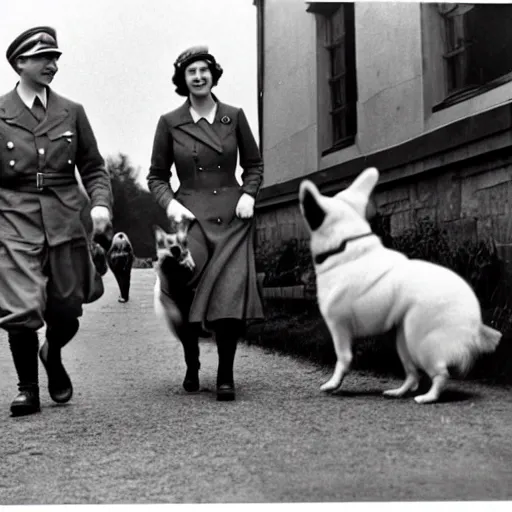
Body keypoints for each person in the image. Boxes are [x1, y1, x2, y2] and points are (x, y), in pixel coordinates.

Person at [0, 27, 113, 417]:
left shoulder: (71, 111)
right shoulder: (0, 113)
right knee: (22, 305)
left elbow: (94, 167)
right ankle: (27, 390)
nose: (52, 65)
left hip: (64, 218)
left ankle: (54, 352)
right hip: (14, 218)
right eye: (44, 57)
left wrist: (100, 204)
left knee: (67, 309)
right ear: (20, 63)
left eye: (56, 58)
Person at [147, 45, 264, 401]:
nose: (198, 77)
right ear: (182, 80)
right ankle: (191, 358)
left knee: (230, 289)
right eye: (191, 72)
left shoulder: (234, 116)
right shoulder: (170, 122)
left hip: (233, 216)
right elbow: (156, 176)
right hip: (191, 216)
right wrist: (171, 206)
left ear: (213, 74)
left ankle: (225, 374)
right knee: (180, 279)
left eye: (204, 70)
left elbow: (254, 165)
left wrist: (249, 194)